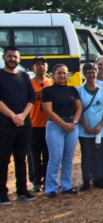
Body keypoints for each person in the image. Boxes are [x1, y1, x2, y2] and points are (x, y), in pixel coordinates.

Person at [0, 46, 37, 204]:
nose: (12, 59)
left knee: (21, 159)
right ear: (4, 57)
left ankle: (22, 190)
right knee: (3, 160)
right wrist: (12, 116)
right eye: (9, 56)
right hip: (4, 126)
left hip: (24, 125)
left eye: (15, 57)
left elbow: (31, 98)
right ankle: (2, 193)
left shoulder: (24, 76)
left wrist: (22, 116)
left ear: (19, 59)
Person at [41, 63, 82, 196]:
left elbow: (79, 108)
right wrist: (64, 124)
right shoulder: (48, 91)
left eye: (64, 73)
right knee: (55, 158)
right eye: (59, 72)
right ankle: (51, 188)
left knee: (68, 158)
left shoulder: (72, 90)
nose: (62, 75)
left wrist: (74, 122)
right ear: (54, 75)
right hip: (55, 126)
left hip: (71, 125)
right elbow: (48, 110)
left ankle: (66, 185)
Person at [77, 62, 103, 191]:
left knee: (100, 153)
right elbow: (78, 110)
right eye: (88, 72)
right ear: (84, 74)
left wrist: (100, 125)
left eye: (93, 72)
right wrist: (85, 126)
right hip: (84, 128)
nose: (91, 74)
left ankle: (100, 178)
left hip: (100, 128)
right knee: (86, 154)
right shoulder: (78, 91)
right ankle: (86, 179)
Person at [29, 56, 52, 192]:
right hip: (33, 124)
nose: (41, 67)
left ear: (47, 67)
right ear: (33, 68)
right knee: (34, 155)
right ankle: (36, 180)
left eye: (43, 64)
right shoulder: (29, 83)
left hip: (49, 124)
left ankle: (47, 179)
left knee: (49, 154)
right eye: (37, 64)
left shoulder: (51, 82)